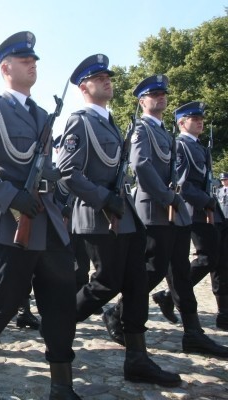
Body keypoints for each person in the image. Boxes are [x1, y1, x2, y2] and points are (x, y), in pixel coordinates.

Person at [0, 31, 79, 399]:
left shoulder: (42, 114)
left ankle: (62, 386)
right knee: (6, 300)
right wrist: (9, 197)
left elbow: (44, 166)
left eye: (35, 61)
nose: (33, 65)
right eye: (26, 60)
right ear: (6, 67)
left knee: (60, 301)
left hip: (47, 219)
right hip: (12, 222)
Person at [56, 54, 182, 388]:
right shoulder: (80, 121)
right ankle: (59, 323)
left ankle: (137, 360)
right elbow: (67, 171)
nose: (108, 80)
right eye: (99, 77)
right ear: (85, 87)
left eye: (108, 76)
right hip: (98, 217)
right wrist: (103, 198)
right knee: (106, 282)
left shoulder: (110, 120)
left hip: (123, 217)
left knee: (137, 285)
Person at [102, 76, 228, 357]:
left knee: (181, 272)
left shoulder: (167, 135)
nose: (160, 97)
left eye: (162, 94)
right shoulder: (140, 129)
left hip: (176, 213)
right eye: (153, 94)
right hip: (154, 210)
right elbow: (142, 167)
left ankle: (193, 333)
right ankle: (116, 313)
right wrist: (169, 197)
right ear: (142, 101)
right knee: (153, 269)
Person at [159, 102, 228, 331]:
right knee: (207, 258)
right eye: (193, 118)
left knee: (221, 258)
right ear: (181, 122)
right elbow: (182, 183)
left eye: (201, 118)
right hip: (192, 209)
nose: (199, 122)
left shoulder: (200, 146)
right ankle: (170, 295)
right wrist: (204, 201)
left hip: (209, 208)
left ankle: (224, 311)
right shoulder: (180, 146)